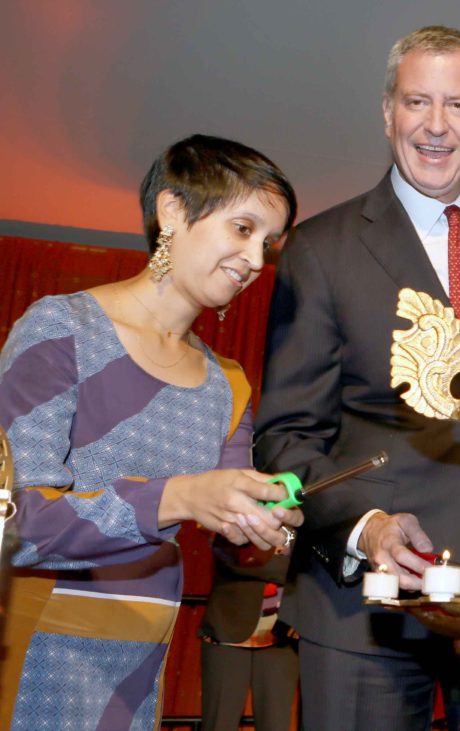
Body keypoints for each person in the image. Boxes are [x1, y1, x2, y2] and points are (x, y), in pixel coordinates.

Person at [253, 25, 460, 731]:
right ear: (387, 112)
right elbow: (286, 439)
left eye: (459, 106)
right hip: (366, 606)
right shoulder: (321, 248)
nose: (437, 125)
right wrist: (366, 527)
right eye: (417, 102)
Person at [0, 134, 305, 730]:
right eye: (243, 228)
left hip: (141, 660)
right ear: (172, 210)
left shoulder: (230, 382)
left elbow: (232, 542)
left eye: (269, 243)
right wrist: (179, 496)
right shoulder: (63, 329)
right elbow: (15, 523)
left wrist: (269, 525)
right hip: (35, 648)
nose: (254, 259)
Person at [198, 537, 298, 731]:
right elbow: (239, 561)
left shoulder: (302, 519)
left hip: (282, 636)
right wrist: (286, 565)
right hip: (227, 631)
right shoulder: (235, 513)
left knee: (276, 724)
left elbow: (312, 569)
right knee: (219, 724)